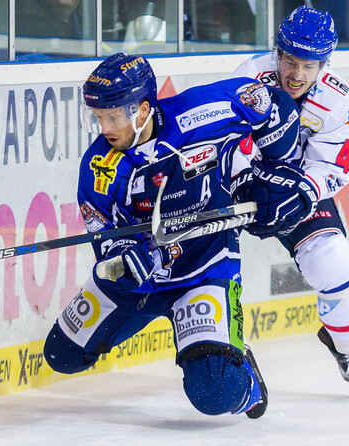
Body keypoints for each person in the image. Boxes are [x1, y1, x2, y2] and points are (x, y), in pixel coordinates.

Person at [43, 52, 303, 418]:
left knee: (216, 393)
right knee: (61, 355)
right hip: (138, 279)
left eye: (114, 116)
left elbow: (272, 105)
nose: (105, 128)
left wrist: (277, 172)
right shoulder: (99, 167)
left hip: (203, 268)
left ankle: (240, 367)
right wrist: (123, 254)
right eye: (99, 117)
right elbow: (104, 234)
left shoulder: (203, 112)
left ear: (143, 109)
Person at [232, 6, 349, 400]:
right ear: (278, 53)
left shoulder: (340, 100)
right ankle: (221, 351)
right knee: (204, 264)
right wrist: (245, 181)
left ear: (325, 63)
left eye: (309, 65)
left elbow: (331, 167)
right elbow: (224, 142)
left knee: (334, 259)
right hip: (239, 185)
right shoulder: (247, 79)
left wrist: (297, 193)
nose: (296, 74)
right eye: (290, 60)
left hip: (295, 190)